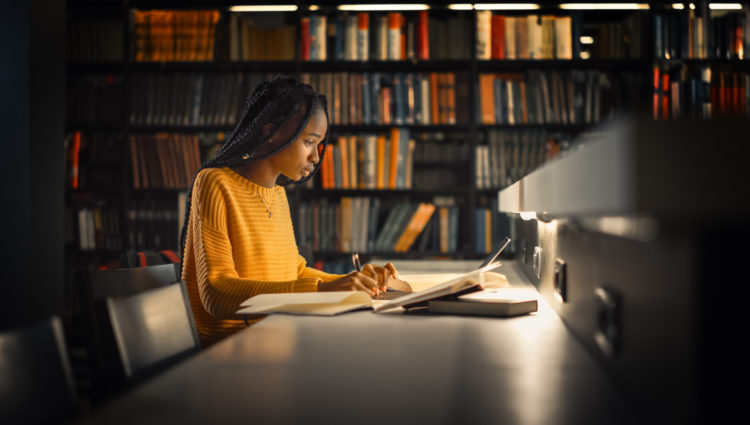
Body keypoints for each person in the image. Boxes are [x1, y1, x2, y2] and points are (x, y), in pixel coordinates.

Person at [179, 76, 398, 347]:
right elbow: (216, 292)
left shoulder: (278, 194)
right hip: (230, 348)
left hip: (276, 338)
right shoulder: (214, 183)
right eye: (309, 142)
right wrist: (321, 289)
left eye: (319, 146)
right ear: (271, 133)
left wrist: (353, 281)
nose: (316, 158)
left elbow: (294, 274)